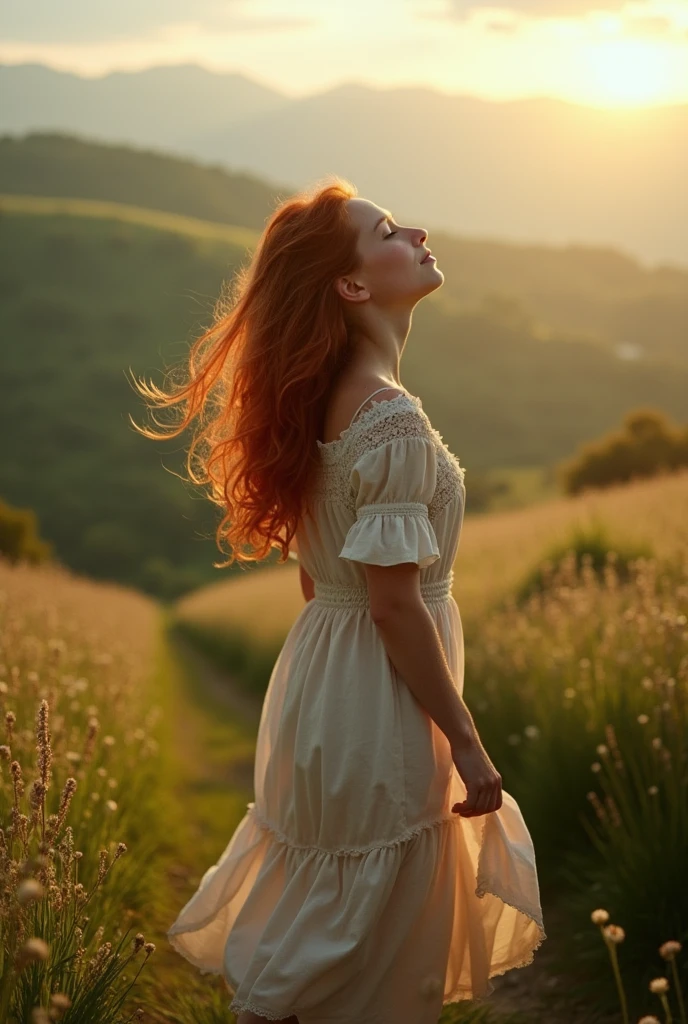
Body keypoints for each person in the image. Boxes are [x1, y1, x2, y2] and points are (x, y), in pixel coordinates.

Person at [133, 176, 546, 1024]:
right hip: (381, 698)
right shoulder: (388, 419)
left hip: (326, 684)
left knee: (334, 927)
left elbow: (321, 579)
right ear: (353, 286)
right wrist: (467, 744)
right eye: (390, 230)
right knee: (369, 948)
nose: (420, 231)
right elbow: (394, 607)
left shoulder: (323, 408)